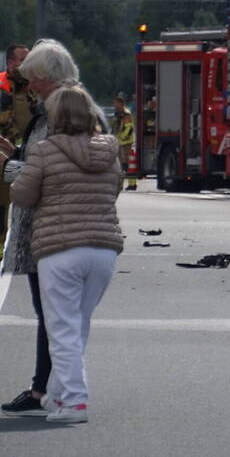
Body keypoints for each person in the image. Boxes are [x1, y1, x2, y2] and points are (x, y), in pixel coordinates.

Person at [0, 39, 105, 418]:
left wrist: (12, 167)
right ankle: (55, 389)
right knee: (62, 317)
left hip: (52, 229)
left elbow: (43, 174)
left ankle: (51, 389)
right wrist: (18, 156)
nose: (30, 87)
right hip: (83, 232)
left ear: (47, 77)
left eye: (33, 80)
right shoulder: (84, 115)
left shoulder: (58, 115)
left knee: (53, 315)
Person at [9, 85, 123, 423]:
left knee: (62, 329)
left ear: (56, 115)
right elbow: (115, 189)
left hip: (60, 248)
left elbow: (23, 196)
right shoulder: (110, 150)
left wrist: (14, 171)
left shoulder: (44, 150)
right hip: (104, 248)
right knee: (78, 326)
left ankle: (74, 402)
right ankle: (58, 395)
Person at [1, 44, 32, 244]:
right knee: (2, 203)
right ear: (11, 63)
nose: (28, 64)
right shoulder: (2, 86)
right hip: (4, 155)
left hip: (27, 155)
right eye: (23, 60)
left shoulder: (32, 88)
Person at [112, 94, 136, 190]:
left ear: (121, 104)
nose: (114, 105)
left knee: (127, 164)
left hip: (126, 142)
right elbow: (116, 127)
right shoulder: (118, 114)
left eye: (116, 103)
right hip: (119, 142)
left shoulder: (126, 114)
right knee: (120, 164)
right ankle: (121, 184)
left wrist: (123, 137)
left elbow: (129, 128)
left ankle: (132, 184)